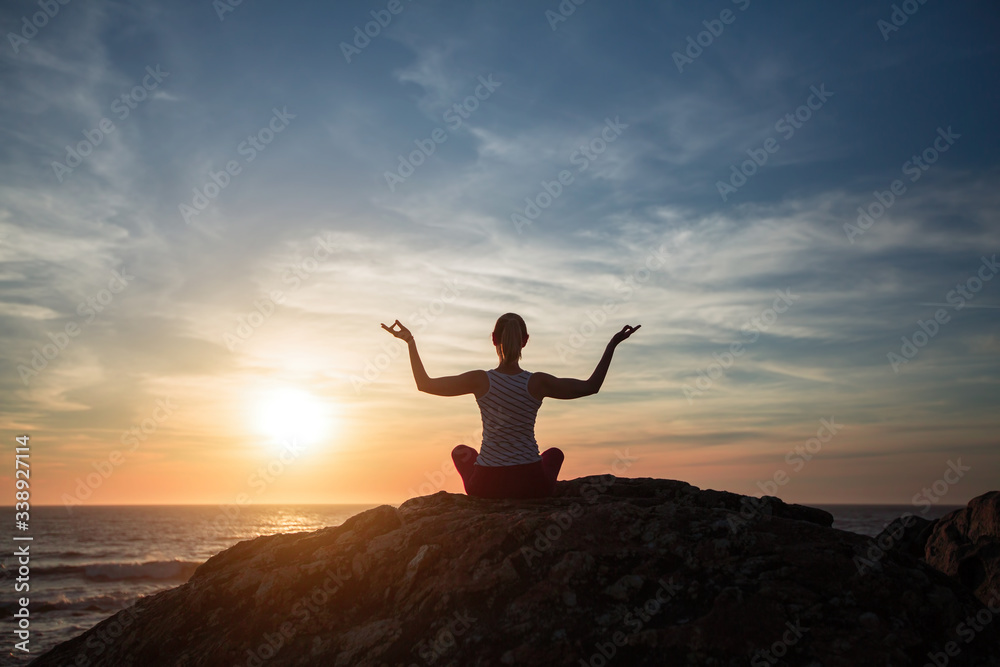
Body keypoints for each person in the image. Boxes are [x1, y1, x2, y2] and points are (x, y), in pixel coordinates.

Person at [381, 313, 640, 499]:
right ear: (526, 340)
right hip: (532, 484)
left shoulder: (480, 380)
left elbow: (425, 384)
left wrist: (410, 342)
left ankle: (477, 476)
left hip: (486, 486)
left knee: (461, 451)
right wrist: (612, 345)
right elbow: (590, 386)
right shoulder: (538, 382)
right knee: (554, 454)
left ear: (493, 339)